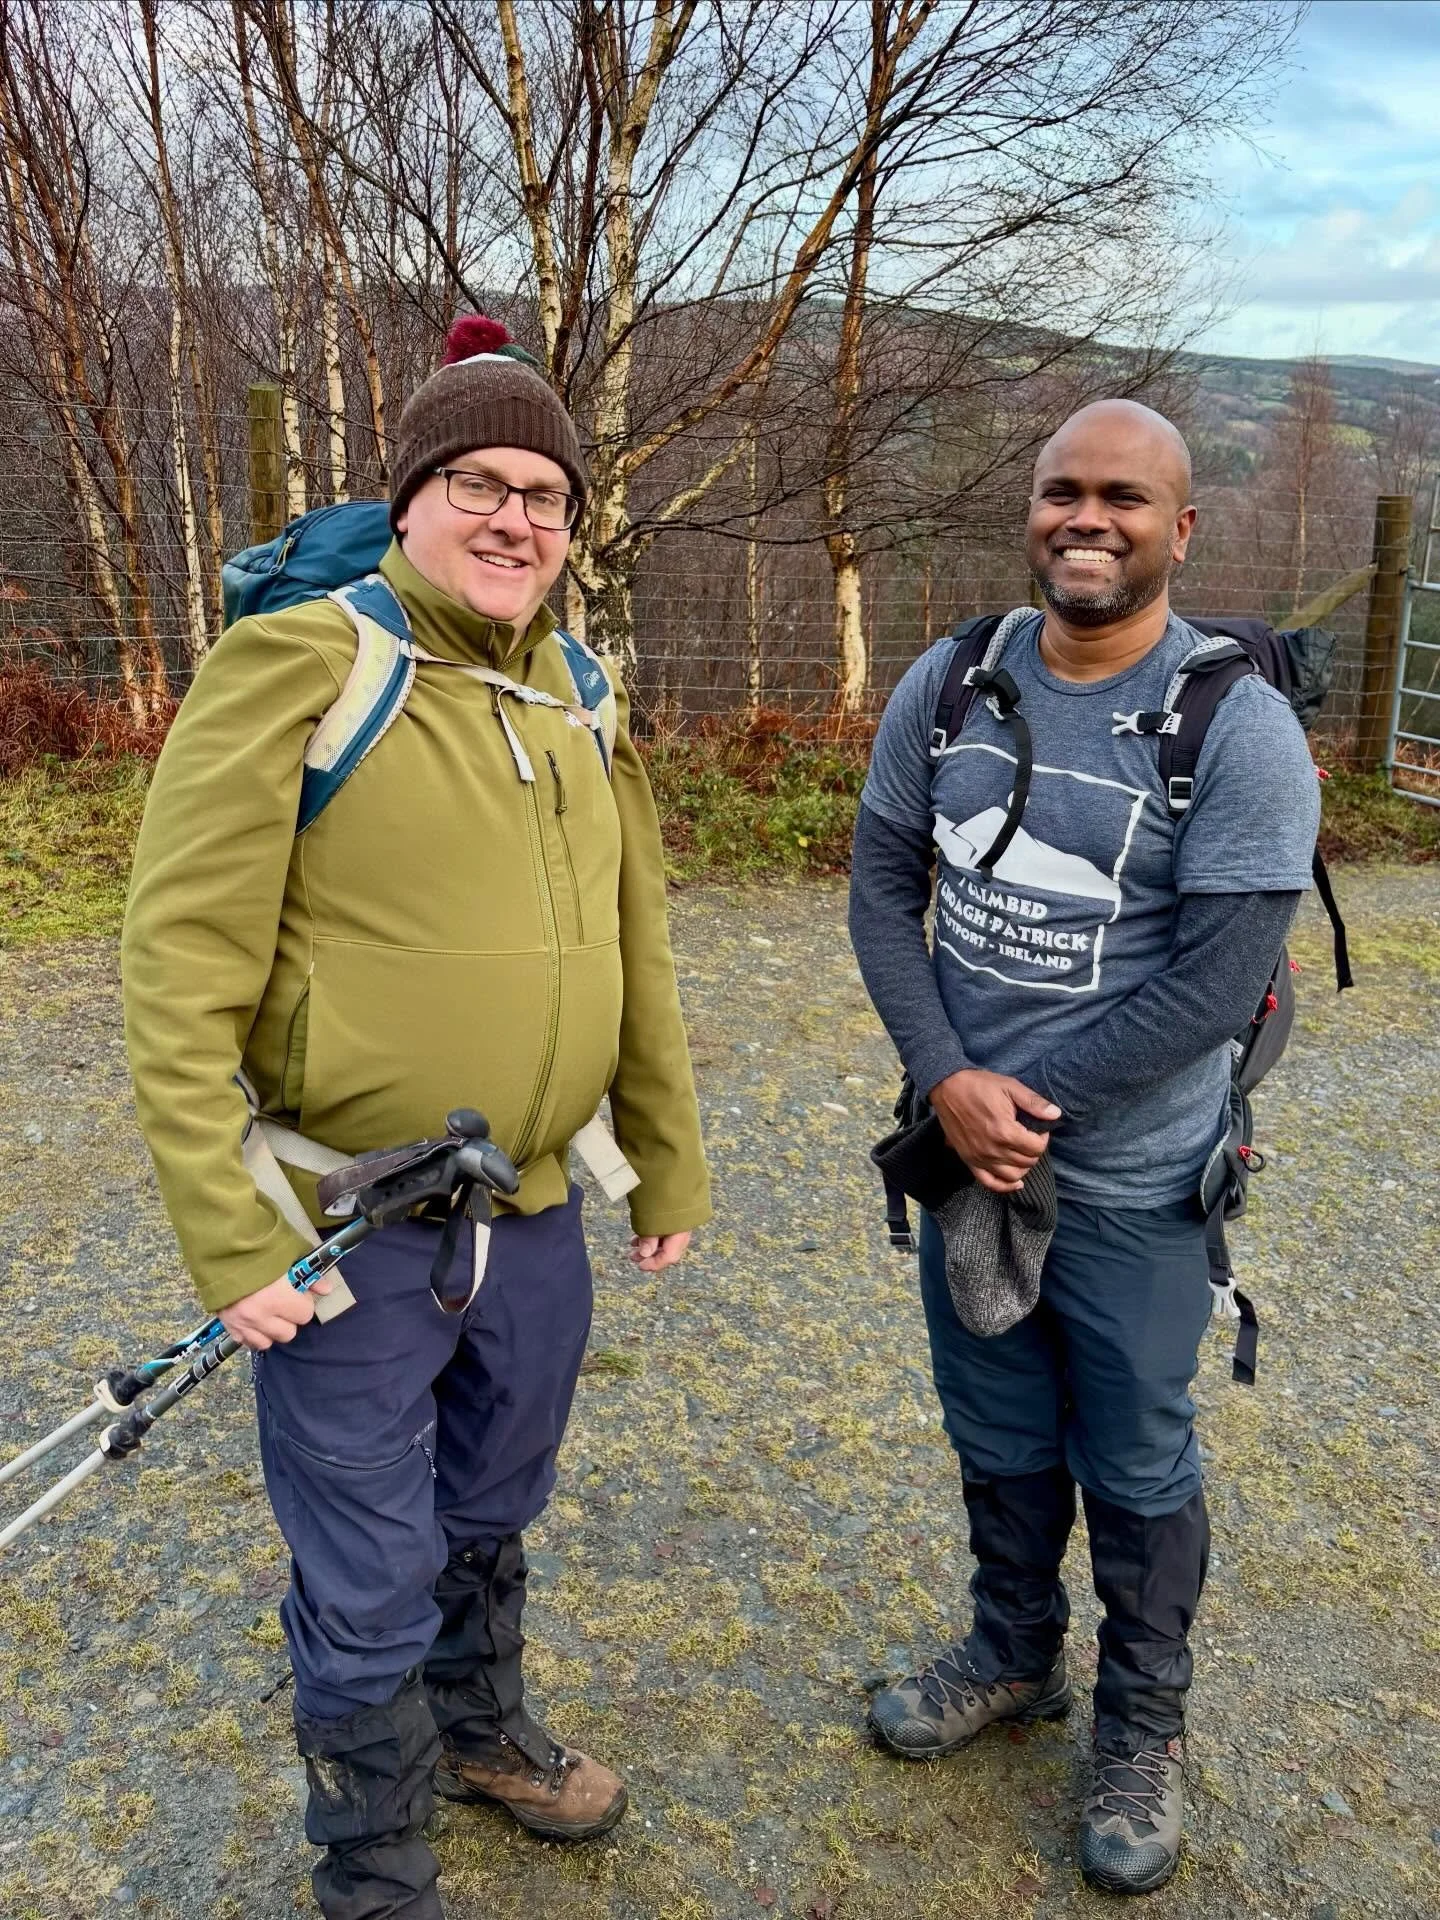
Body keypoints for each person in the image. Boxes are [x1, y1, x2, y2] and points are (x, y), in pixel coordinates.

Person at [122, 318, 711, 1920]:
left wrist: (667, 1155)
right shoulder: (304, 665)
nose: (517, 519)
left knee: (493, 1504)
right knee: (368, 1564)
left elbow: (636, 942)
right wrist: (230, 1238)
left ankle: (476, 1732)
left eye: (547, 495)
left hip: (535, 1212)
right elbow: (177, 963)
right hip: (350, 1231)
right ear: (410, 500)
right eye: (480, 485)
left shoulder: (581, 692)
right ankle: (374, 1873)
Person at [848, 400, 1319, 1894]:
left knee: (1134, 1454)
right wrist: (947, 1081)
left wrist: (1012, 1103)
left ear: (1182, 528)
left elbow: (1222, 978)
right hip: (969, 1160)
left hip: (1134, 1186)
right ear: (1032, 507)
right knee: (993, 1426)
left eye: (1125, 496)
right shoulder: (952, 682)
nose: (1087, 518)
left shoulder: (1236, 726)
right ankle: (1012, 1655)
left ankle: (1141, 1728)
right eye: (1064, 490)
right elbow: (880, 887)